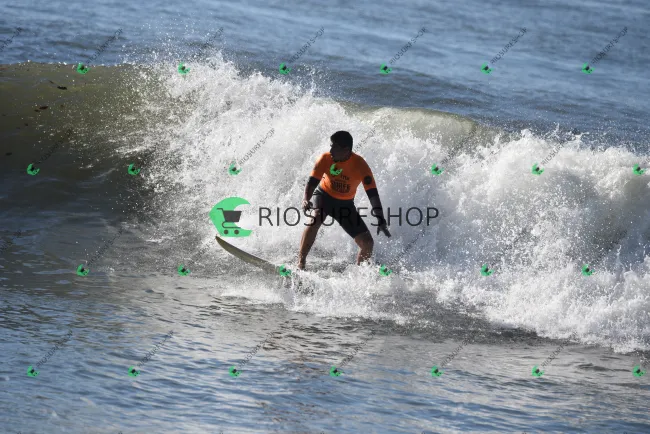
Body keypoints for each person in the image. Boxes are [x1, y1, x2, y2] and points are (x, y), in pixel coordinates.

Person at [298, 131, 390, 270]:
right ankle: (301, 262)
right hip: (324, 196)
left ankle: (359, 274)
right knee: (316, 217)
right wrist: (306, 199)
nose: (330, 151)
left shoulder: (360, 166)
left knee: (367, 243)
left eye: (334, 147)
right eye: (331, 146)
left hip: (345, 205)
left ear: (346, 150)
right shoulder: (325, 158)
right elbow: (312, 182)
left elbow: (372, 194)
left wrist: (380, 218)